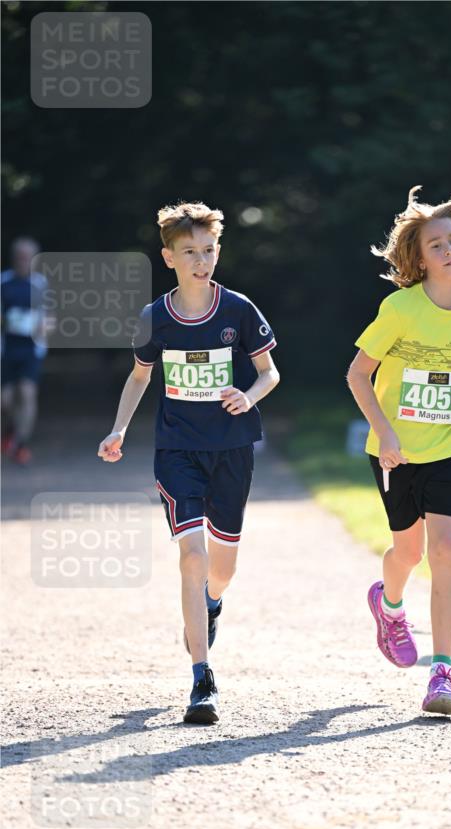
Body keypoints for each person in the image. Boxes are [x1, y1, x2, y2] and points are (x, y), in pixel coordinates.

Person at [98, 202, 280, 723]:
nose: (201, 261)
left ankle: (212, 605)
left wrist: (248, 396)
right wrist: (119, 429)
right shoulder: (154, 318)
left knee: (221, 570)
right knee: (192, 557)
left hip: (232, 450)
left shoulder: (239, 310)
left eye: (208, 251)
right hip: (176, 450)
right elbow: (139, 377)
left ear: (217, 252)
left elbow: (269, 374)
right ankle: (203, 679)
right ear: (168, 257)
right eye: (189, 252)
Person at [347, 186, 451, 716]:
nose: (448, 250)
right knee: (408, 553)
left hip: (450, 446)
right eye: (436, 245)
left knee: (447, 551)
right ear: (419, 257)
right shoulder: (400, 309)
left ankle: (442, 672)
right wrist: (386, 434)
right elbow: (358, 374)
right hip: (395, 451)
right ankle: (388, 605)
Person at [1, 237, 49, 464]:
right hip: (7, 348)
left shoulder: (41, 285)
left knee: (27, 393)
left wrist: (44, 326)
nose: (24, 261)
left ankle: (21, 445)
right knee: (6, 401)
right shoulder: (3, 283)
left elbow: (52, 319)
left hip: (31, 348)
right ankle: (10, 430)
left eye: (28, 257)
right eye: (20, 257)